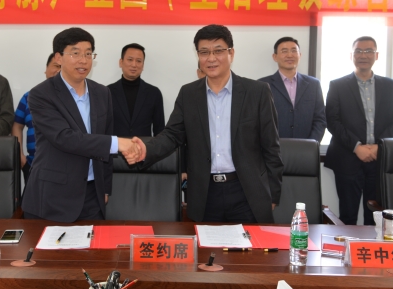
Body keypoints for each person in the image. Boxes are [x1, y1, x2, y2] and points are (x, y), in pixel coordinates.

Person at [127, 24, 283, 223]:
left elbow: (271, 147)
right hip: (205, 194)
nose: (211, 58)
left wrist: (272, 195)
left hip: (247, 192)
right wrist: (146, 148)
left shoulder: (257, 92)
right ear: (198, 56)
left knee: (249, 244)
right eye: (204, 52)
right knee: (205, 244)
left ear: (231, 53)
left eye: (218, 51)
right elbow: (172, 135)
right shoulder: (188, 94)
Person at [21, 27, 138, 222]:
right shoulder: (41, 94)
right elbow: (64, 138)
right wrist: (119, 143)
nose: (83, 60)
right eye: (75, 53)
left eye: (88, 54)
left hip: (92, 194)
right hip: (52, 196)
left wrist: (105, 187)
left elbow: (105, 141)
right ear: (58, 57)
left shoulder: (102, 93)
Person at [325, 36, 393, 225]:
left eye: (368, 51)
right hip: (346, 158)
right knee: (347, 215)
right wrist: (357, 147)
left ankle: (372, 246)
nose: (363, 55)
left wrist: (379, 147)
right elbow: (332, 121)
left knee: (376, 217)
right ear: (351, 55)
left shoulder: (390, 86)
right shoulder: (337, 85)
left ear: (376, 55)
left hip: (379, 161)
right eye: (358, 51)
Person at [259, 37, 326, 142]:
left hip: (306, 148)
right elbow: (258, 120)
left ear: (300, 55)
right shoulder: (262, 85)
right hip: (272, 148)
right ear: (275, 57)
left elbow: (320, 119)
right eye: (284, 51)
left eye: (294, 51)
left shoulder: (314, 84)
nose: (290, 55)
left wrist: (310, 144)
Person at [12, 53, 61, 185]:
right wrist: (20, 156)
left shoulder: (74, 99)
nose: (59, 70)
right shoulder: (29, 96)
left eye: (63, 68)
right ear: (46, 69)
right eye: (56, 66)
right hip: (33, 164)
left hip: (64, 167)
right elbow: (17, 125)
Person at [108, 43, 165, 137]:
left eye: (139, 61)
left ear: (143, 65)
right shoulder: (107, 92)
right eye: (130, 60)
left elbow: (159, 131)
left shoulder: (154, 93)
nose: (134, 65)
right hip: (117, 146)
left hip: (144, 146)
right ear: (121, 62)